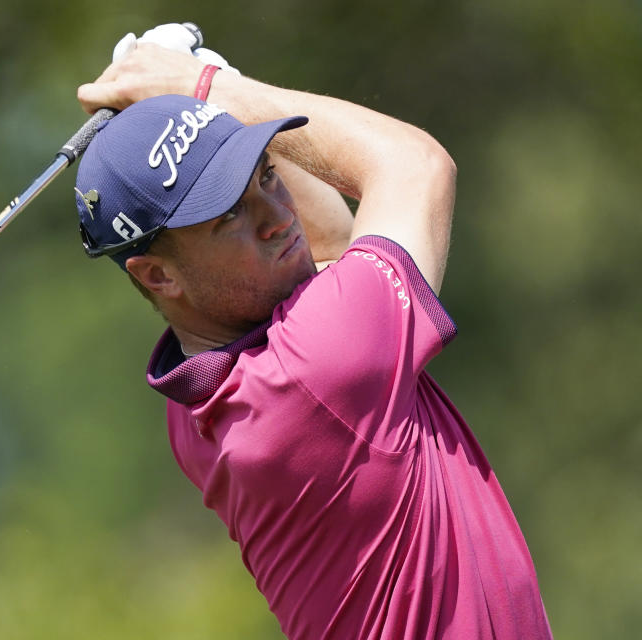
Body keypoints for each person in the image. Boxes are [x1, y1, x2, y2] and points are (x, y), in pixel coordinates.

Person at [73, 26, 553, 640]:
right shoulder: (317, 370)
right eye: (229, 216)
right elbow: (417, 167)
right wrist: (210, 85)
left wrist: (211, 112)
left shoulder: (198, 402)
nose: (278, 218)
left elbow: (325, 245)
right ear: (158, 275)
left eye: (267, 174)